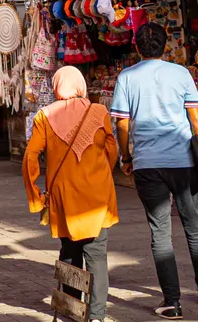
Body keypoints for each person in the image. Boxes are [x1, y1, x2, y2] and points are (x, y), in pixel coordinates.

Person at [109, 22, 198, 320]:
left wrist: (126, 156)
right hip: (183, 161)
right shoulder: (181, 73)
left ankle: (172, 301)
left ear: (136, 47)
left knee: (161, 234)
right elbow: (197, 121)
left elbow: (121, 123)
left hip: (147, 164)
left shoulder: (127, 77)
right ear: (166, 46)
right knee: (194, 225)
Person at [23, 65, 120, 322]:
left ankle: (71, 309)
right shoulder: (99, 112)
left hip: (64, 196)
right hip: (98, 196)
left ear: (57, 87)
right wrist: (102, 173)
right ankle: (97, 316)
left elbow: (31, 156)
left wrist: (35, 196)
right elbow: (112, 150)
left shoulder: (44, 116)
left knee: (69, 250)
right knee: (97, 254)